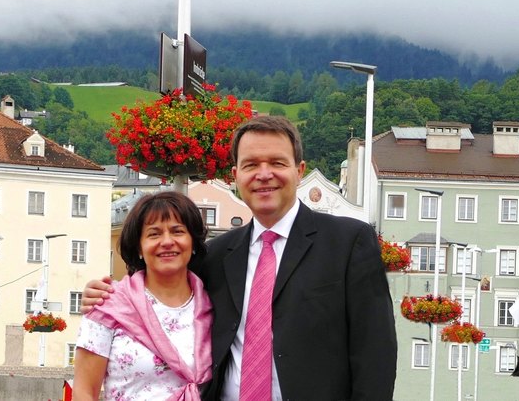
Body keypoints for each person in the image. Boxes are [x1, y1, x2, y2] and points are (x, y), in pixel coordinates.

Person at [83, 116, 397, 400]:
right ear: (235, 175)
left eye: (277, 162)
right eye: (250, 165)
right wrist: (106, 295)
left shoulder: (347, 243)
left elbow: (375, 356)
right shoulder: (217, 255)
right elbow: (166, 289)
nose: (264, 174)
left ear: (299, 171)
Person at [73, 191, 213, 401]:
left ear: (193, 242)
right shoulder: (107, 304)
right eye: (154, 234)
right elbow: (84, 392)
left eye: (177, 231)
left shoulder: (215, 305)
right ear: (139, 247)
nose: (167, 241)